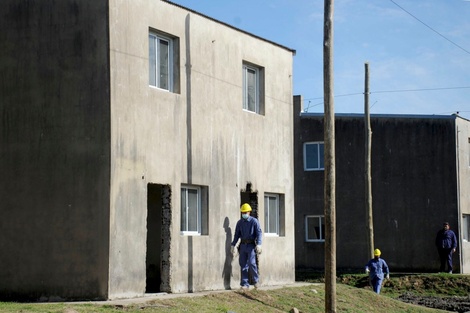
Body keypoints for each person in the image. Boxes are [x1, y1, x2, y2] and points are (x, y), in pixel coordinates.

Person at [231, 203, 262, 290]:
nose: (244, 214)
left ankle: (256, 281)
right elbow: (236, 235)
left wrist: (259, 244)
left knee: (252, 263)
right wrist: (233, 245)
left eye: (245, 212)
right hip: (243, 245)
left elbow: (259, 233)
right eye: (243, 212)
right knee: (243, 264)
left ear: (249, 212)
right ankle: (245, 284)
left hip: (251, 245)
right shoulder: (239, 223)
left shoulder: (254, 221)